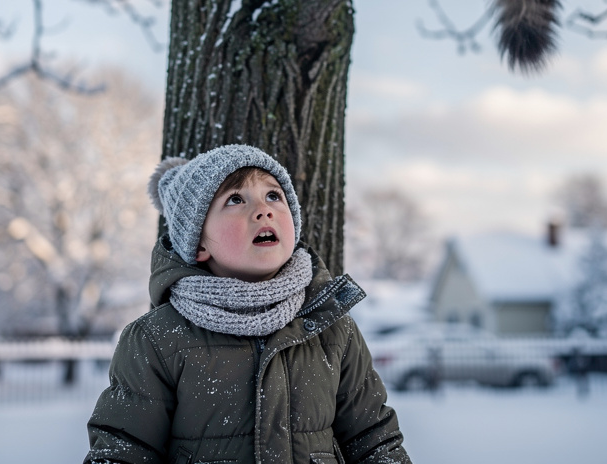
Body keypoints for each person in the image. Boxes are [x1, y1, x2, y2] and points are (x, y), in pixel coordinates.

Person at [84, 144, 412, 464]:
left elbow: (373, 438)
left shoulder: (331, 328)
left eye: (273, 195)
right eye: (235, 199)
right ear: (198, 243)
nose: (263, 209)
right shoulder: (156, 339)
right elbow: (124, 448)